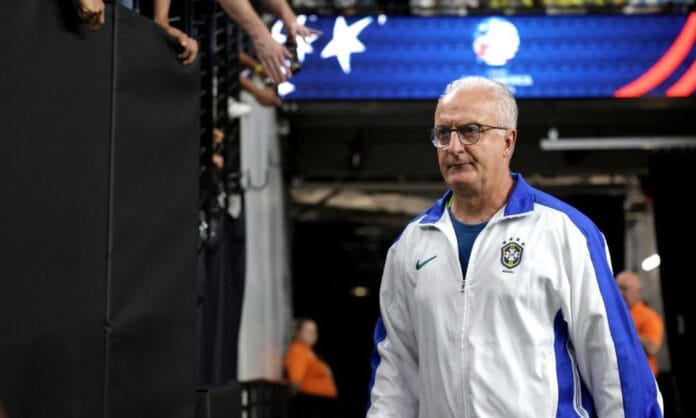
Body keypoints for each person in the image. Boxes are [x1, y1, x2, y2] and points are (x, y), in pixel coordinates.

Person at [367, 76, 663, 417]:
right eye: (443, 133)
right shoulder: (410, 245)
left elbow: (615, 363)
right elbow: (394, 373)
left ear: (508, 141)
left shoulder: (565, 232)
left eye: (470, 131)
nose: (454, 147)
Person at [284, 317, 338, 418]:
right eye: (308, 331)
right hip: (310, 404)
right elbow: (295, 380)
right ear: (297, 333)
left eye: (314, 331)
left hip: (318, 403)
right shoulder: (298, 351)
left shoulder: (308, 352)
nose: (313, 334)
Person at [616, 270, 665, 376]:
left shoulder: (649, 316)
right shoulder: (613, 313)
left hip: (642, 376)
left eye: (624, 288)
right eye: (617, 288)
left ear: (638, 291)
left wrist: (622, 332)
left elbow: (652, 348)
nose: (619, 293)